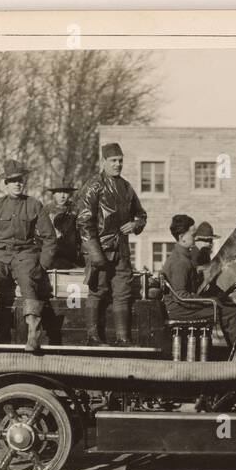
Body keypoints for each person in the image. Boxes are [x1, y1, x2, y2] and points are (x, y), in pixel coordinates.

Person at [0, 160, 52, 353]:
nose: (17, 184)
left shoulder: (34, 205)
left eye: (20, 180)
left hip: (25, 255)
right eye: (12, 181)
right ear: (5, 184)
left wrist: (43, 265)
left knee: (28, 283)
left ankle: (33, 336)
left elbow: (49, 237)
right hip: (0, 256)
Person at [76, 142, 147, 346]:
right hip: (100, 249)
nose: (118, 164)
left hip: (122, 251)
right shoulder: (93, 185)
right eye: (113, 161)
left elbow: (141, 214)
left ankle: (123, 338)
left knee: (123, 293)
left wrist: (135, 224)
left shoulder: (126, 187)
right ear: (103, 162)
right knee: (97, 290)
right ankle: (92, 337)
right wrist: (94, 252)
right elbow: (83, 220)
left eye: (120, 160)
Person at [161, 214, 236, 353]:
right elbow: (181, 296)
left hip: (180, 307)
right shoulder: (179, 262)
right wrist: (209, 301)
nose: (195, 238)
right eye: (193, 235)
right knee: (231, 313)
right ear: (182, 237)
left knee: (227, 308)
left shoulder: (183, 257)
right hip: (179, 310)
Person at [39, 182, 80, 269]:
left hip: (72, 250)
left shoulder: (76, 209)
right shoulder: (46, 210)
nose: (62, 196)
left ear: (70, 194)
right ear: (54, 194)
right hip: (53, 250)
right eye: (59, 192)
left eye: (65, 192)